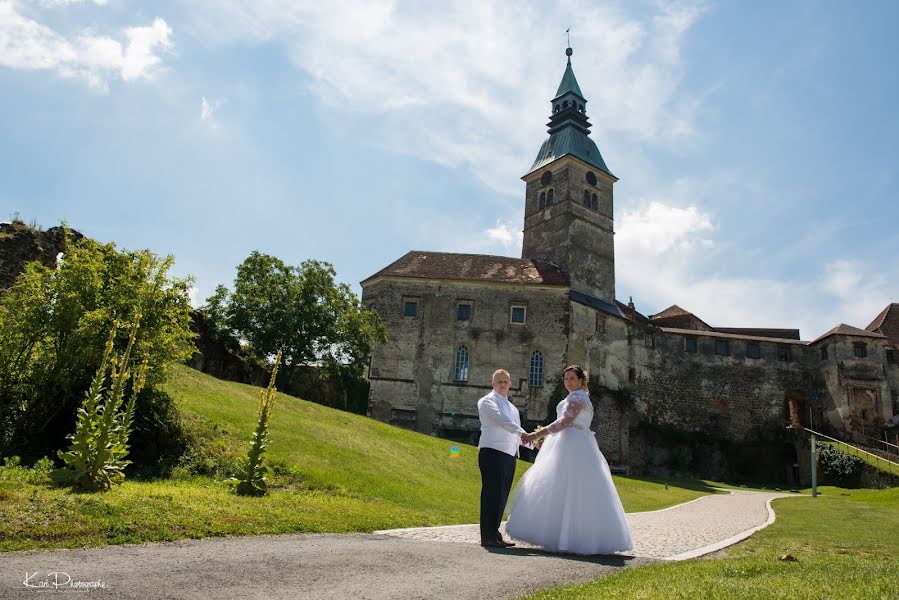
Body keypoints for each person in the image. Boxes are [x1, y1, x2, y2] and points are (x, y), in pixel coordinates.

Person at [506, 365, 633, 555]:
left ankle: (572, 537)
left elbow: (564, 421)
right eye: (565, 379)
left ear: (581, 380)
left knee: (572, 488)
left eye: (572, 378)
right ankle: (561, 535)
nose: (568, 382)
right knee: (559, 488)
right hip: (569, 442)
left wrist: (537, 434)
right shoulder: (575, 397)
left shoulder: (578, 397)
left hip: (574, 444)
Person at [477, 368, 529, 548]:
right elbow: (502, 422)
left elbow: (516, 434)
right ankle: (487, 536)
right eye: (499, 381)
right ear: (493, 383)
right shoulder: (486, 402)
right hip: (492, 452)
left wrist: (532, 443)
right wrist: (528, 435)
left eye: (506, 381)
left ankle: (495, 534)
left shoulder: (513, 408)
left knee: (502, 496)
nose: (503, 384)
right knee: (491, 495)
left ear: (510, 384)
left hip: (509, 455)